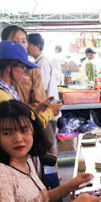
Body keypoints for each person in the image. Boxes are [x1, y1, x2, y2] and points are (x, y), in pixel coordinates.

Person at [0, 40, 55, 145]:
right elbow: (22, 131)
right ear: (9, 68)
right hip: (3, 156)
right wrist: (50, 112)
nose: (24, 73)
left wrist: (36, 111)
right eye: (23, 68)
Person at [0, 25, 60, 126]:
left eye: (24, 42)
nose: (21, 46)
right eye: (15, 41)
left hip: (34, 121)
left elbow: (39, 99)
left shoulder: (35, 70)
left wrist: (45, 110)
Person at [27, 33, 60, 161]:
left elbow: (43, 89)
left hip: (47, 108)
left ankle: (55, 174)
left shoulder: (42, 64)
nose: (27, 47)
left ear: (37, 46)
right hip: (46, 108)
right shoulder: (38, 63)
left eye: (28, 44)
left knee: (49, 142)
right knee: (49, 141)